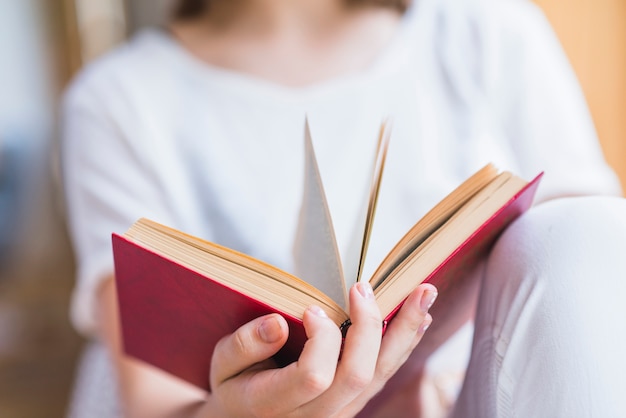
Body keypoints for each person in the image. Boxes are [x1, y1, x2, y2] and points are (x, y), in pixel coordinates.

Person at [60, 0, 626, 416]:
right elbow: (156, 402)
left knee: (584, 230)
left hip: (470, 398)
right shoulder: (117, 100)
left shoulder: (486, 32)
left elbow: (587, 284)